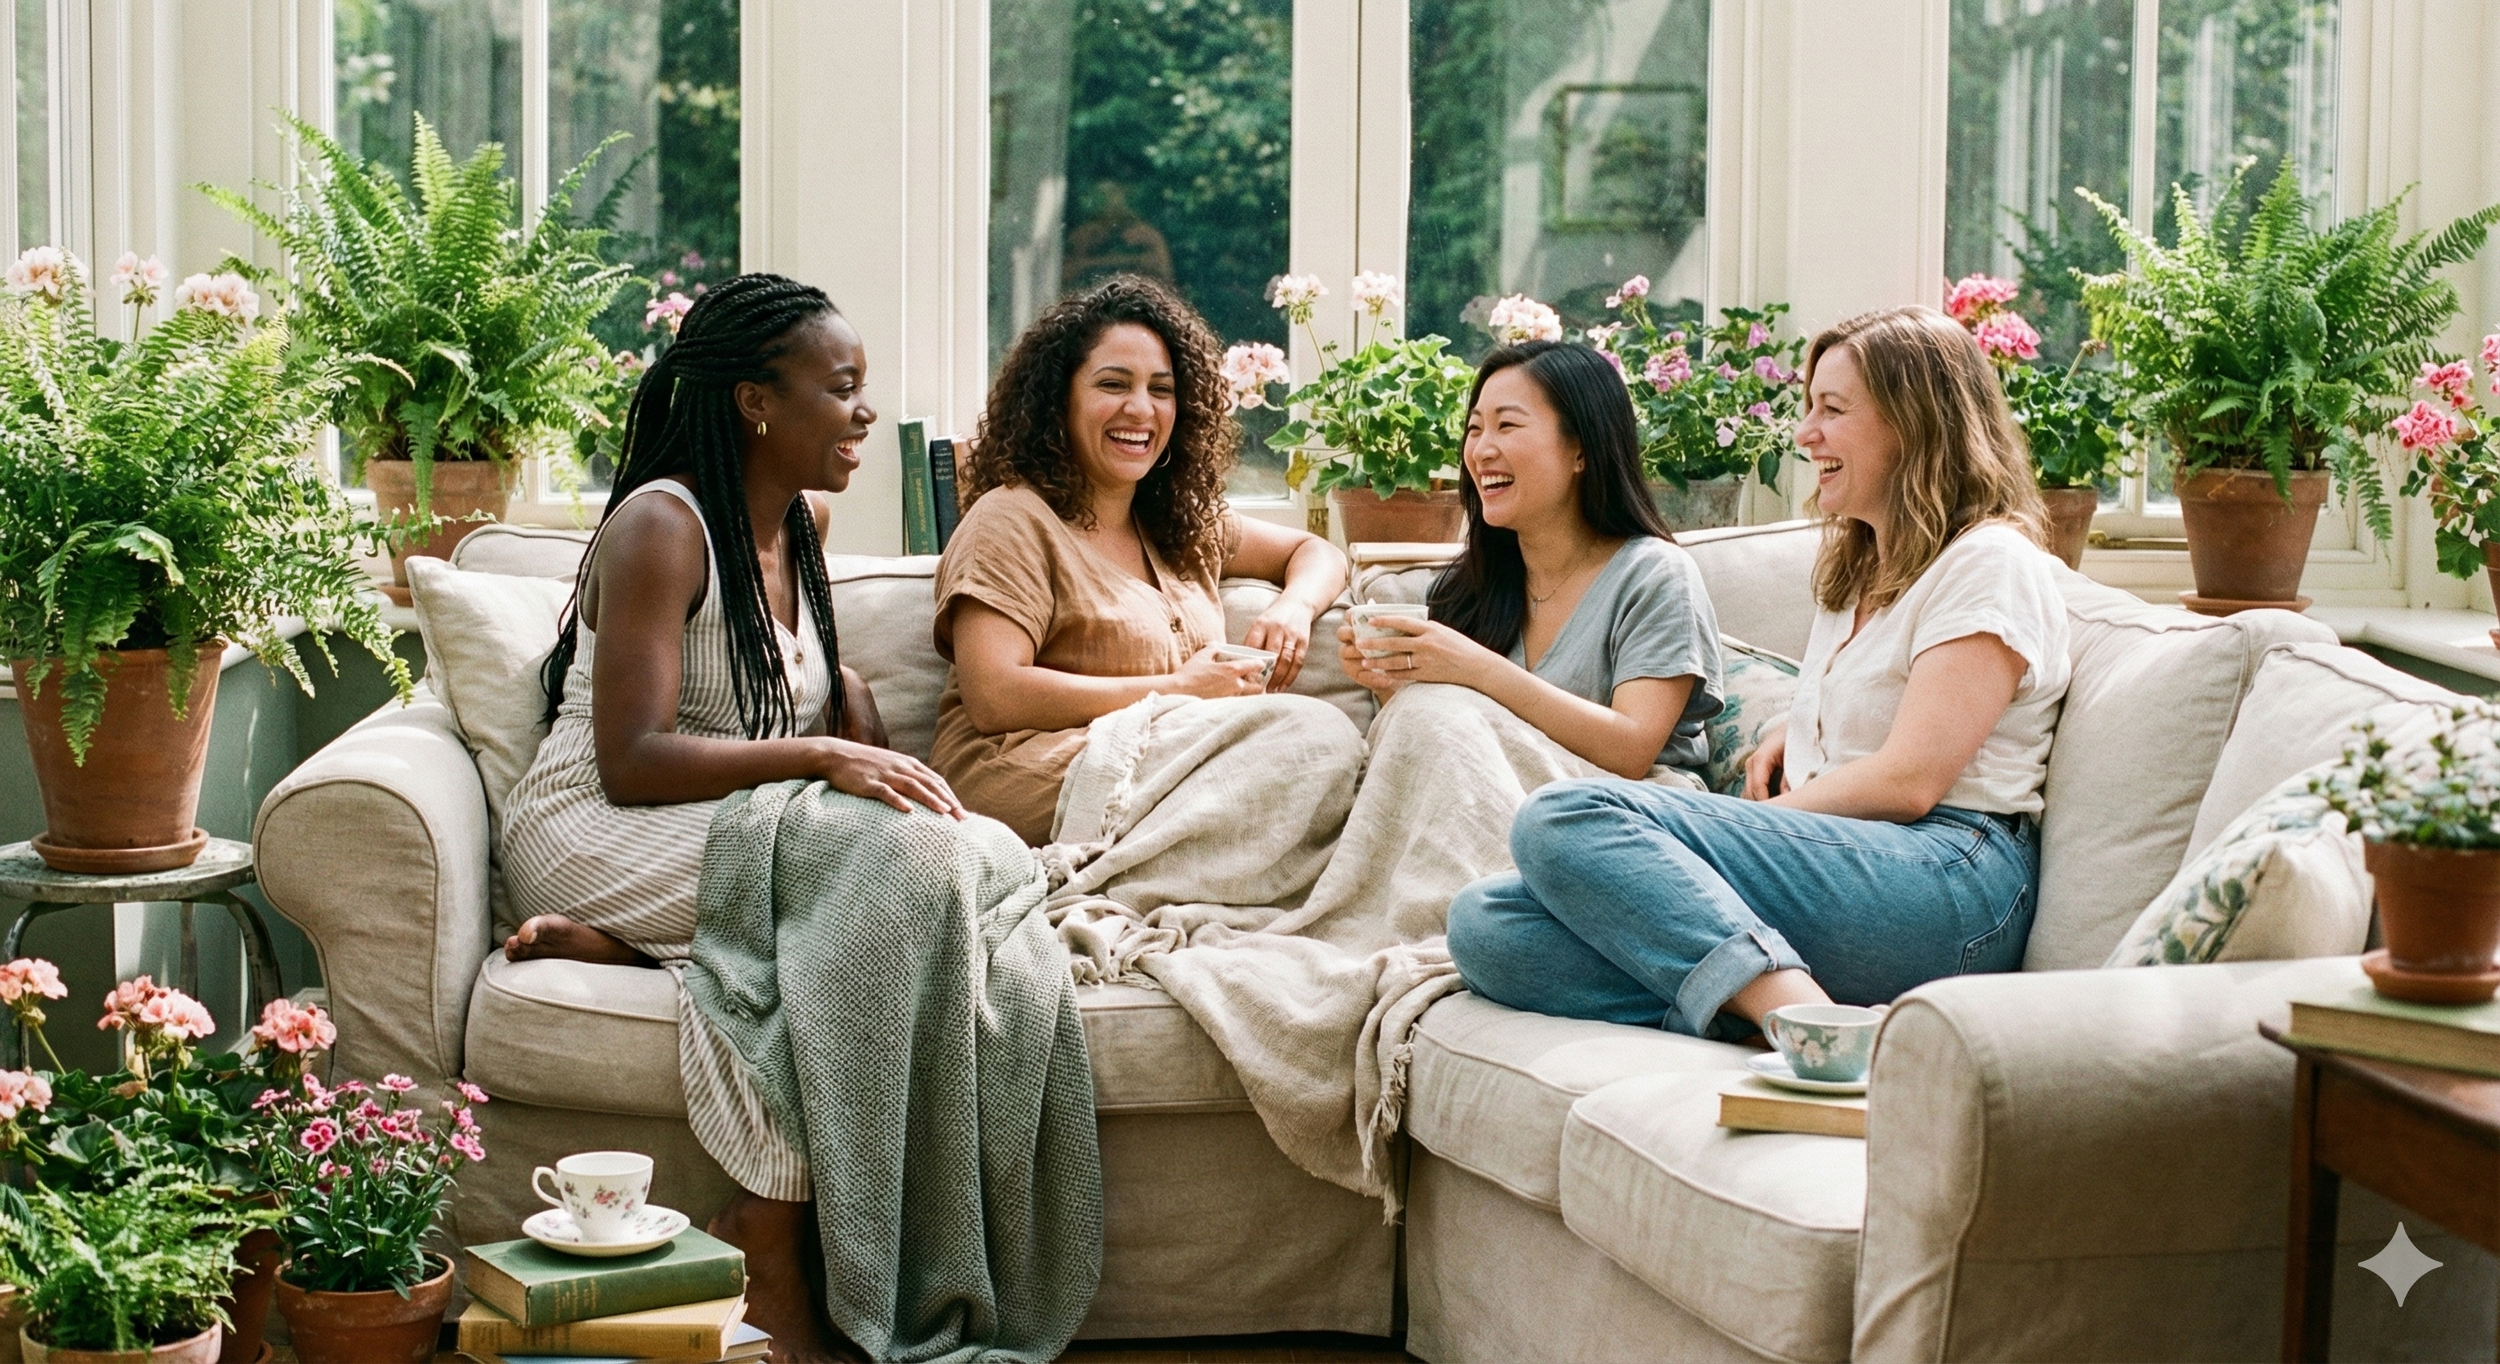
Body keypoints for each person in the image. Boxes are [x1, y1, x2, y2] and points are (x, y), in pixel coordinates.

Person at [497, 274, 994, 1363]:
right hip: (595, 828)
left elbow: (797, 689)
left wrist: (848, 715)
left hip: (713, 834)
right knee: (864, 892)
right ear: (757, 401)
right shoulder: (662, 526)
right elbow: (629, 761)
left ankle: (647, 950)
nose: (867, 412)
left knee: (947, 868)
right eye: (843, 387)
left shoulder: (801, 525)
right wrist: (823, 754)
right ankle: (765, 1235)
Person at [1446, 305, 2070, 1038]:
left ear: (1916, 423)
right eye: (1809, 409)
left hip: (1951, 881)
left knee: (1565, 817)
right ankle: (1798, 1006)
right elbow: (1882, 714)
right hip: (1851, 874)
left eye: (1832, 411)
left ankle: (1809, 1027)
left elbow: (1910, 780)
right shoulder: (1859, 567)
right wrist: (1793, 725)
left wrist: (1732, 828)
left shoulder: (1989, 561)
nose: (1806, 434)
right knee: (1486, 925)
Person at [934, 273, 1353, 846]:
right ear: (1058, 398)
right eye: (1113, 384)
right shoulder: (1011, 518)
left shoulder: (1177, 523)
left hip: (1162, 760)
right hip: (1034, 775)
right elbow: (994, 694)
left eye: (1161, 389)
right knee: (1309, 735)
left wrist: (1295, 609)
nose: (1141, 409)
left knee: (1324, 743)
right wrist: (1179, 688)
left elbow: (1316, 551)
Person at [1334, 339, 1724, 783]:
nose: (1481, 450)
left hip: (1625, 813)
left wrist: (1475, 668)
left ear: (1582, 449)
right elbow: (1448, 750)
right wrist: (1392, 682)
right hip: (1491, 808)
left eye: (1507, 426)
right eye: (1475, 428)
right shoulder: (1470, 587)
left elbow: (1632, 749)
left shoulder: (1655, 575)